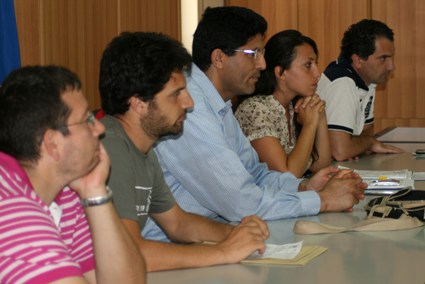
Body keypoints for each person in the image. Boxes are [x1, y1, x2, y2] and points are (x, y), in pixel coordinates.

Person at [143, 6, 366, 242]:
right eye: (254, 53)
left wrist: (304, 187)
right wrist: (324, 200)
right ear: (219, 58)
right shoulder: (190, 106)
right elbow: (240, 203)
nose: (261, 64)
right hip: (172, 248)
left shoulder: (219, 104)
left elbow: (256, 173)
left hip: (216, 233)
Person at [98, 31, 269, 272]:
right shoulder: (110, 147)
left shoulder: (145, 149)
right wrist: (223, 251)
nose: (189, 103)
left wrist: (236, 233)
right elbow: (127, 253)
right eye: (176, 94)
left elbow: (178, 223)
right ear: (138, 103)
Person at [0, 66, 145, 283]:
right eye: (87, 120)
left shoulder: (66, 193)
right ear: (52, 144)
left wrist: (95, 191)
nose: (99, 128)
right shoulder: (9, 205)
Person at [235, 30, 332, 178]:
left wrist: (321, 117)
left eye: (315, 64)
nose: (317, 73)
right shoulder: (255, 109)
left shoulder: (295, 106)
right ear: (280, 72)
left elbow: (320, 165)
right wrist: (309, 125)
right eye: (308, 65)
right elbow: (287, 176)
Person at [317, 19, 403, 161]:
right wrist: (368, 143)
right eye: (383, 58)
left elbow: (366, 131)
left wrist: (357, 144)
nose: (391, 67)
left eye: (391, 58)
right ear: (358, 60)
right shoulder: (342, 82)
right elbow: (340, 151)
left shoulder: (367, 81)